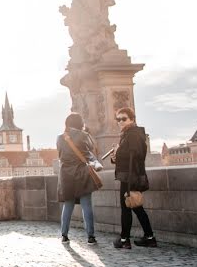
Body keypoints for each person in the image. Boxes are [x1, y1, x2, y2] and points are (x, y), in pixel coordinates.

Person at [111, 107, 156, 249]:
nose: (120, 122)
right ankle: (150, 238)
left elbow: (135, 154)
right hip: (129, 175)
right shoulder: (128, 133)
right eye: (118, 119)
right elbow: (126, 156)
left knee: (127, 208)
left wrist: (118, 152)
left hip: (131, 176)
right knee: (136, 206)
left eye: (124, 118)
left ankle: (124, 240)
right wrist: (115, 156)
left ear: (132, 119)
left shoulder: (133, 133)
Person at [56, 113, 101, 244]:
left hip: (66, 175)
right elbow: (90, 151)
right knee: (86, 205)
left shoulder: (60, 138)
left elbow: (60, 155)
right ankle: (90, 237)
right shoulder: (84, 136)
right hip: (82, 173)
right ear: (80, 123)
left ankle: (64, 235)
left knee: (68, 205)